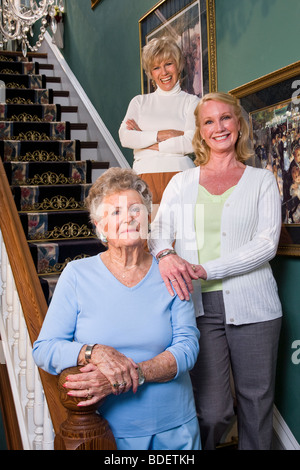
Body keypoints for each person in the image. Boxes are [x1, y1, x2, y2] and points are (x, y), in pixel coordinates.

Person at [148, 92, 283, 450]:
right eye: (209, 121)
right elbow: (158, 233)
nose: (218, 127)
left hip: (256, 308)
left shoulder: (262, 180)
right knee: (213, 411)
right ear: (200, 132)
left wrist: (207, 268)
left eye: (226, 118)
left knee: (256, 404)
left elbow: (267, 244)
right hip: (197, 308)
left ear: (238, 125)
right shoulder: (182, 182)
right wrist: (165, 255)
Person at [32, 167, 201, 451]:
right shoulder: (76, 275)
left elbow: (187, 347)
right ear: (100, 227)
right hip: (105, 434)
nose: (128, 218)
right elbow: (44, 349)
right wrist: (92, 351)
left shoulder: (170, 272)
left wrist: (127, 376)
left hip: (175, 429)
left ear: (148, 218)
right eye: (116, 213)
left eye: (136, 209)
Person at [119, 36, 199, 216]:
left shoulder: (192, 102)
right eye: (156, 67)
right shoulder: (139, 102)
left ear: (178, 65)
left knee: (185, 239)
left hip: (182, 175)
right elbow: (125, 137)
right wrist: (164, 134)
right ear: (150, 73)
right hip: (143, 178)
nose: (163, 72)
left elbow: (192, 142)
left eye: (168, 64)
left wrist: (144, 139)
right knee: (145, 239)